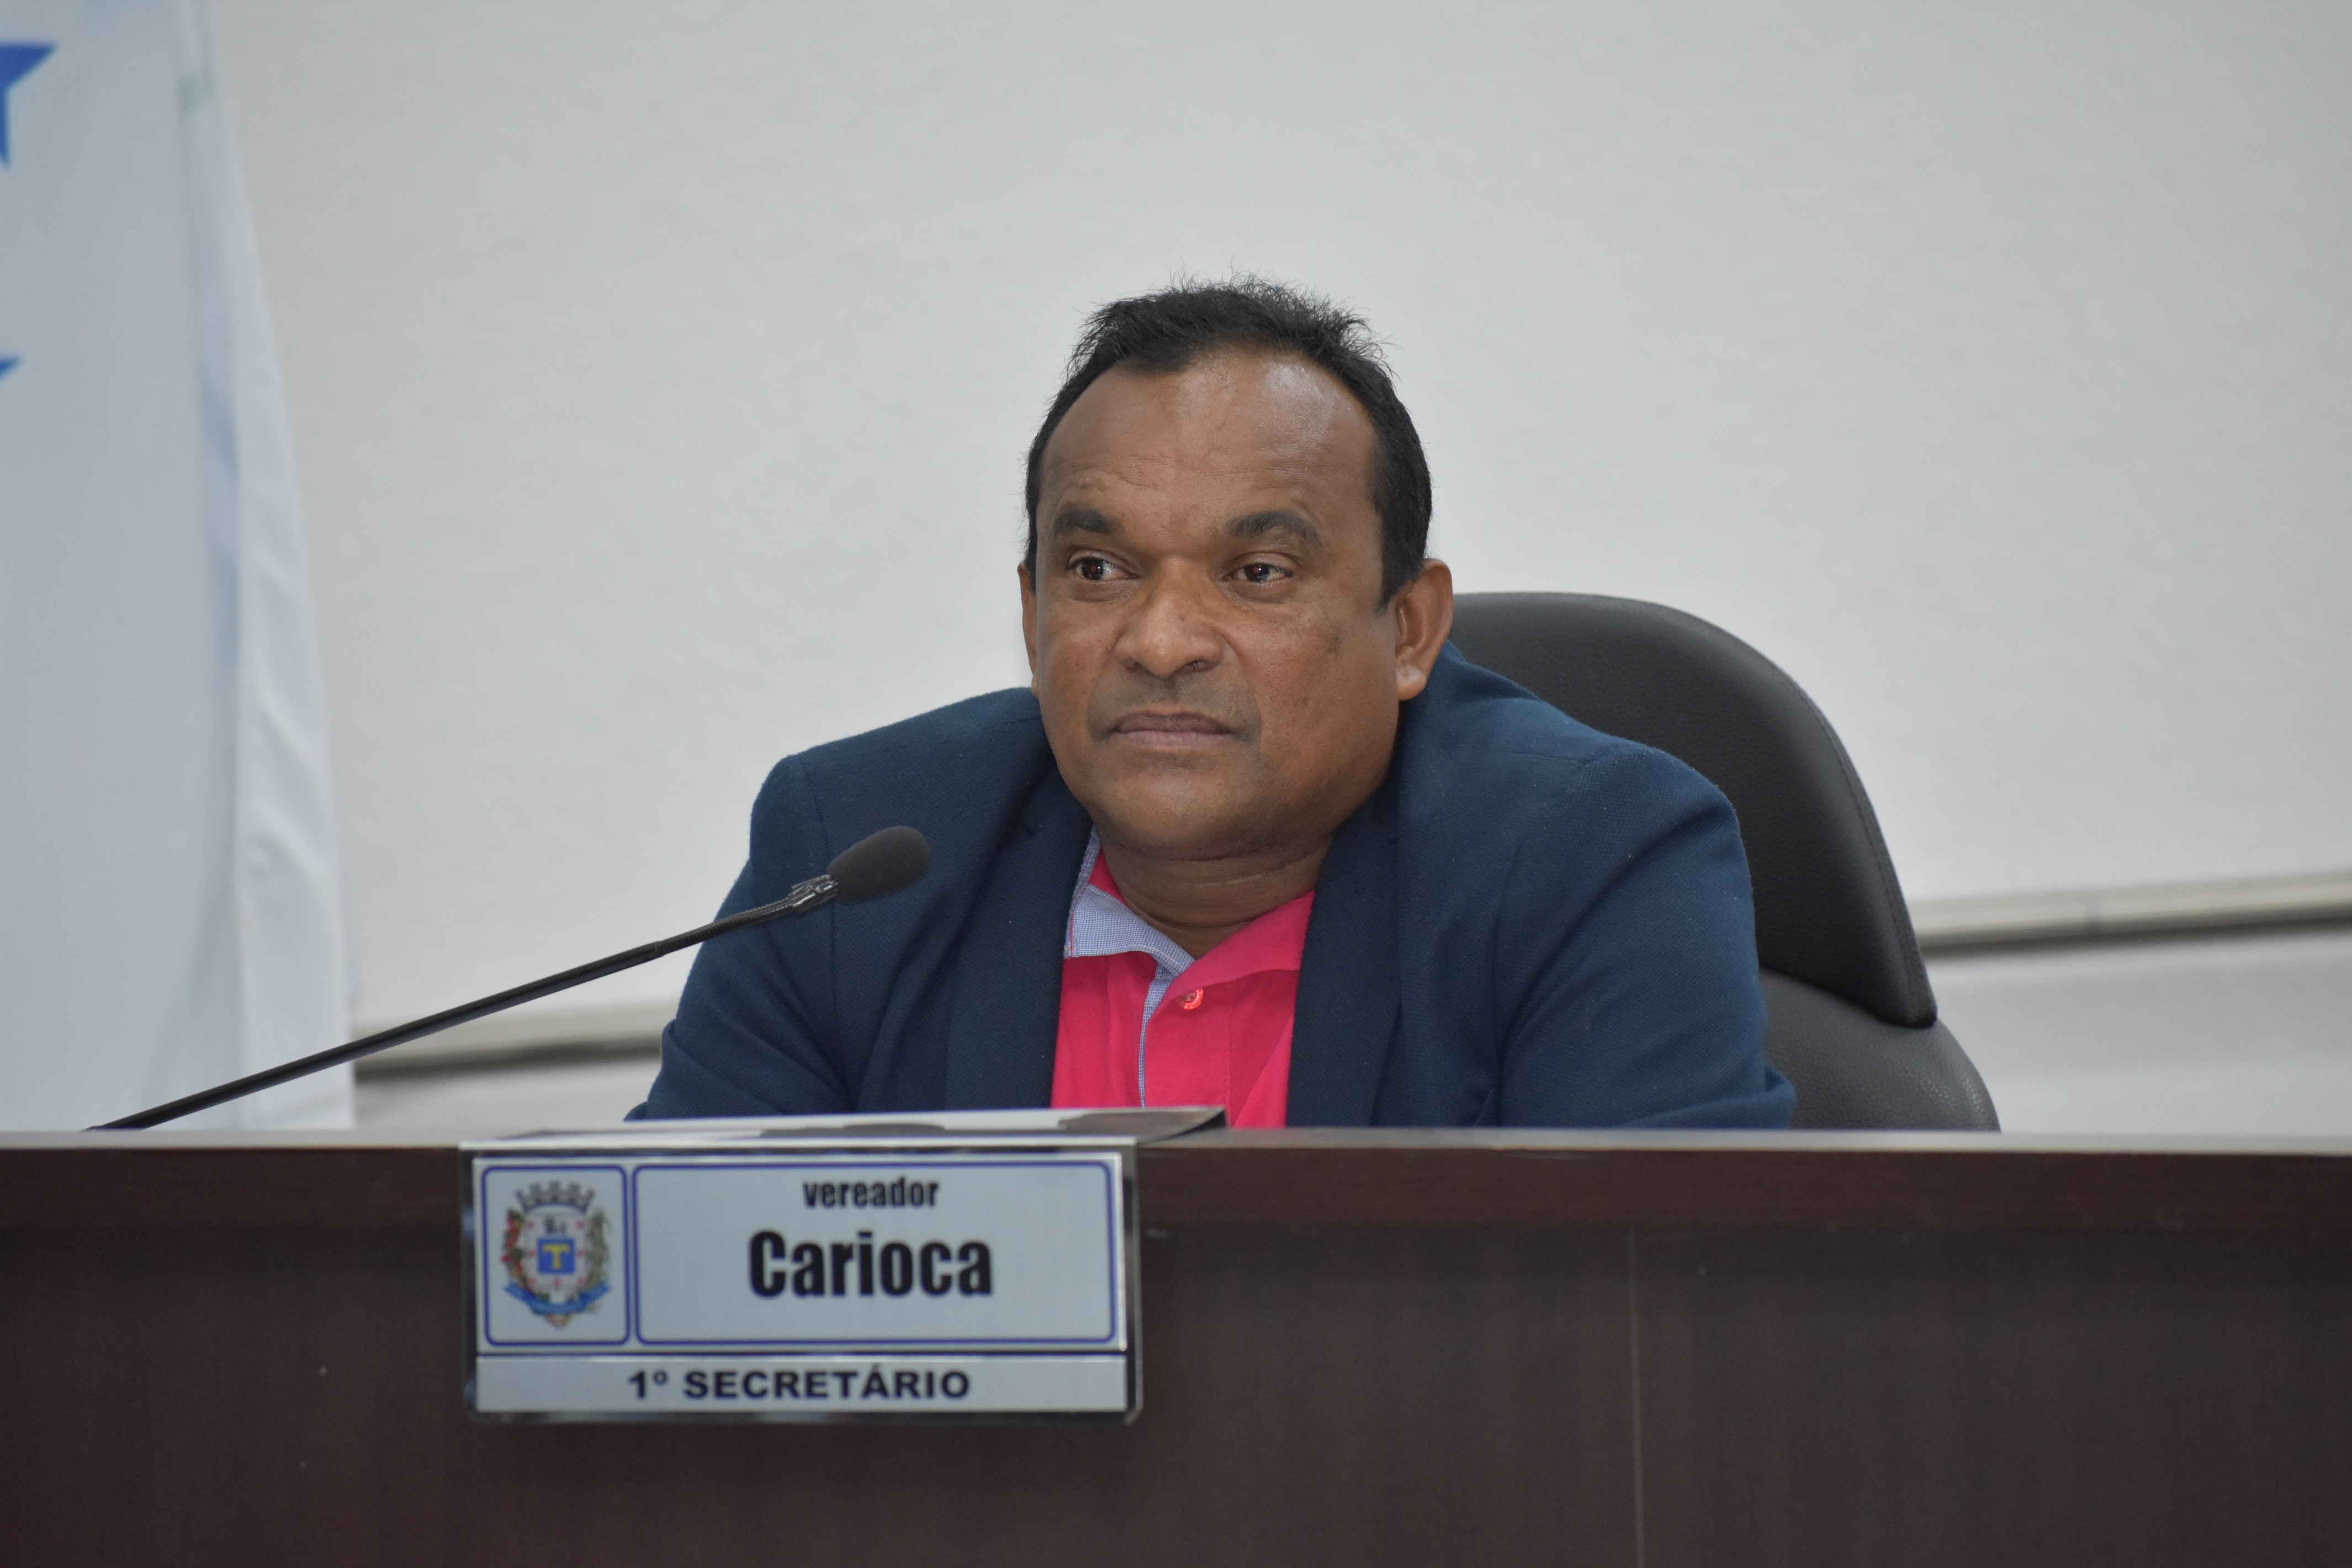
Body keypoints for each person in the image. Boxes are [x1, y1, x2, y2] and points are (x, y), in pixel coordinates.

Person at [635, 279, 1792, 1127]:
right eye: (1098, 570)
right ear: (1032, 613)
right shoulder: (852, 859)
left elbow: (1649, 1327)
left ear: (1408, 629)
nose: (1161, 642)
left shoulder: (1590, 860)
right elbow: (678, 1295)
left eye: (1258, 574)